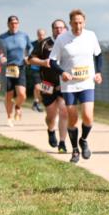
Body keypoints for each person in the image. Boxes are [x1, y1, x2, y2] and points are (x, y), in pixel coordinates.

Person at [49, 9, 102, 164]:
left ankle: (83, 140)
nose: (78, 26)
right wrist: (62, 72)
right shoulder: (62, 38)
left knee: (88, 116)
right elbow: (52, 61)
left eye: (80, 22)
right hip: (69, 85)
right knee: (72, 118)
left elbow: (98, 55)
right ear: (70, 23)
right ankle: (75, 150)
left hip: (87, 82)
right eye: (75, 23)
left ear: (84, 23)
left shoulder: (91, 36)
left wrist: (98, 72)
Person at [27, 19, 69, 153]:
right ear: (52, 30)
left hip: (65, 83)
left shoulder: (70, 42)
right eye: (56, 28)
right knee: (51, 114)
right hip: (47, 84)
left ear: (65, 29)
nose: (59, 30)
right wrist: (43, 62)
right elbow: (30, 59)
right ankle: (51, 130)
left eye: (61, 28)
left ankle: (62, 142)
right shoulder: (44, 43)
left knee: (64, 111)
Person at [0, 15, 32, 126]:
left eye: (16, 23)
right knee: (9, 95)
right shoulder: (2, 37)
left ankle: (18, 106)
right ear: (8, 24)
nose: (14, 25)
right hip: (7, 68)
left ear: (18, 24)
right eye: (11, 23)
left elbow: (31, 48)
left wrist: (28, 56)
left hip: (20, 67)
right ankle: (9, 117)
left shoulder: (24, 36)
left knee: (22, 95)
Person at [29, 28, 47, 113]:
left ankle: (37, 103)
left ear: (45, 35)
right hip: (35, 68)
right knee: (37, 87)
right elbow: (28, 54)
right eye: (39, 35)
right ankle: (36, 102)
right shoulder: (33, 44)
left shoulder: (49, 44)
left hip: (46, 70)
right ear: (37, 35)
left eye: (43, 35)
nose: (41, 36)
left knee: (46, 89)